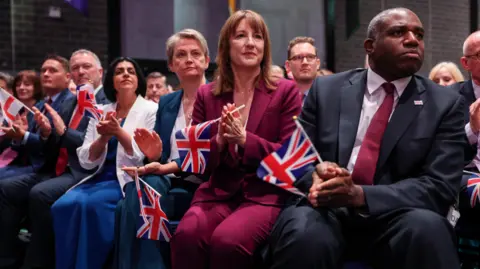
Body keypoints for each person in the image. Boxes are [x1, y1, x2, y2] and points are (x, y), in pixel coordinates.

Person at [265, 8, 465, 269]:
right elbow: (294, 159)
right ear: (370, 46)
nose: (412, 39)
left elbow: (439, 186)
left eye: (419, 34)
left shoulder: (445, 103)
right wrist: (316, 174)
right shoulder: (327, 89)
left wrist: (359, 195)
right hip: (326, 209)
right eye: (398, 32)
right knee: (304, 234)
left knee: (429, 230)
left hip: (397, 213)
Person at [170, 10, 302, 269]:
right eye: (241, 36)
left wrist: (244, 139)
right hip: (217, 193)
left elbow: (290, 156)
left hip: (265, 194)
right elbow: (196, 164)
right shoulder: (207, 95)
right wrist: (218, 142)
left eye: (258, 37)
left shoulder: (285, 91)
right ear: (226, 47)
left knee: (228, 241)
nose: (251, 43)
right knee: (186, 236)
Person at [116, 28, 210, 269]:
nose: (189, 59)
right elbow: (159, 154)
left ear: (206, 61)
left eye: (195, 53)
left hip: (205, 179)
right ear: (171, 64)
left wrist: (162, 164)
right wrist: (154, 154)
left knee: (137, 199)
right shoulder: (168, 101)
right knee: (138, 190)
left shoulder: (218, 97)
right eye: (181, 54)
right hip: (167, 176)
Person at [51, 57, 157, 269]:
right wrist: (103, 138)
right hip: (100, 176)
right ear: (112, 81)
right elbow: (85, 159)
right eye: (119, 71)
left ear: (138, 80)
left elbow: (143, 155)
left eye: (131, 71)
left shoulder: (151, 109)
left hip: (128, 178)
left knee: (89, 206)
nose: (126, 74)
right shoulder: (100, 109)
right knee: (61, 206)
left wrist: (118, 132)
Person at [13, 49, 111, 269]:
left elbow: (91, 147)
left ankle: (41, 261)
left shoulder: (106, 101)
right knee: (9, 188)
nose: (80, 71)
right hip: (58, 167)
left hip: (88, 171)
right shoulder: (71, 101)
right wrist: (48, 132)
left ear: (100, 71)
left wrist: (62, 131)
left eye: (86, 66)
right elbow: (55, 145)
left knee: (40, 193)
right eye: (75, 67)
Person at [0, 55, 75, 269]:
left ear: (67, 76)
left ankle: (14, 257)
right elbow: (31, 143)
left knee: (13, 188)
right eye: (43, 71)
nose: (46, 74)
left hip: (56, 168)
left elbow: (55, 145)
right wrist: (19, 136)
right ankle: (9, 253)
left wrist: (25, 136)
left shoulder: (70, 102)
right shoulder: (42, 104)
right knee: (6, 188)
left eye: (53, 70)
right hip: (39, 165)